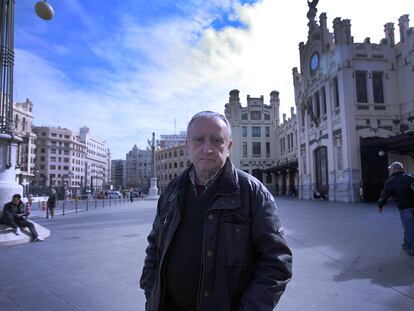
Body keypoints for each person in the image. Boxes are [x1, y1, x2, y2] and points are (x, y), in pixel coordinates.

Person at [140, 111, 292, 311]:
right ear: (188, 146)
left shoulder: (253, 194)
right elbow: (155, 247)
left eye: (216, 140)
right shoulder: (172, 191)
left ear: (228, 146)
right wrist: (151, 291)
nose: (207, 149)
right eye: (198, 140)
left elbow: (276, 263)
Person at [378, 161, 414, 256]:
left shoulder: (390, 181)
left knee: (409, 228)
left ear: (394, 169)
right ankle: (407, 244)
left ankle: (412, 249)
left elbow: (384, 195)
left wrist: (380, 205)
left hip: (405, 208)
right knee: (409, 227)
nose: (390, 171)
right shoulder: (410, 177)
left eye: (391, 169)